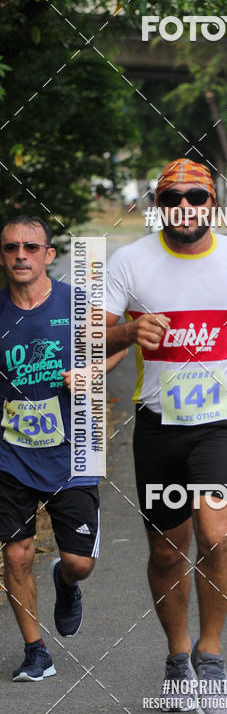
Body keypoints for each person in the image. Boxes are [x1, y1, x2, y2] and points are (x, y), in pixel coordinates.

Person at [105, 158, 227, 714]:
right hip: (159, 423)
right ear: (158, 206)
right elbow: (91, 336)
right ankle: (177, 657)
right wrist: (129, 330)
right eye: (172, 197)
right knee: (167, 549)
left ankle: (211, 658)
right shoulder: (130, 262)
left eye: (195, 196)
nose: (184, 206)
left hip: (223, 419)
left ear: (213, 203)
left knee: (215, 531)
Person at [0, 215, 126, 682]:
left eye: (31, 247)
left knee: (79, 562)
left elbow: (120, 343)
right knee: (16, 555)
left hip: (73, 452)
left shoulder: (77, 305)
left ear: (49, 255)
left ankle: (65, 580)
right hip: (11, 453)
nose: (21, 255)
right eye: (11, 247)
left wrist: (94, 372)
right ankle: (36, 651)